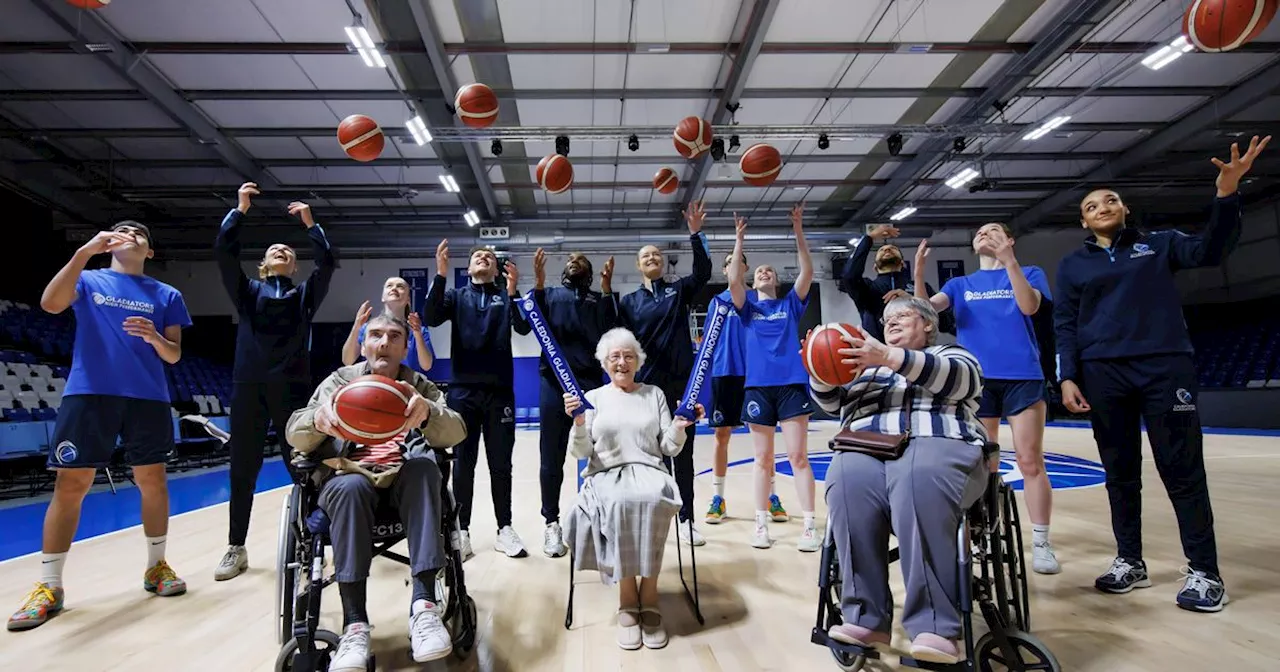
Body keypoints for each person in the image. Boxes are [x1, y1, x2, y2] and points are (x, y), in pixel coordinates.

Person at [1054, 135, 1269, 612]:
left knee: (1182, 470)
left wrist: (1226, 194)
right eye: (1093, 205)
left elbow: (1212, 250)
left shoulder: (1160, 245)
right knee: (1119, 473)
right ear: (1084, 221)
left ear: (1125, 209)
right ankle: (1130, 560)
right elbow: (1064, 323)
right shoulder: (1072, 265)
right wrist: (1067, 376)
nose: (1103, 206)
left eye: (1111, 199)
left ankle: (1204, 573)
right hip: (1102, 374)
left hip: (1164, 366)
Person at [9, 221, 192, 632]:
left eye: (140, 233)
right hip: (89, 393)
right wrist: (83, 253)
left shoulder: (167, 295)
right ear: (108, 242)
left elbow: (175, 355)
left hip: (147, 397)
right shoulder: (89, 278)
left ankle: (156, 567)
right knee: (70, 485)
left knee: (153, 481)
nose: (130, 234)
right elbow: (51, 304)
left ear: (149, 252)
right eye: (122, 229)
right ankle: (49, 586)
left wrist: (154, 339)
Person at [284, 313, 467, 668]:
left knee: (425, 469)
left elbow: (456, 430)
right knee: (349, 487)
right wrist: (317, 420)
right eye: (376, 336)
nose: (384, 343)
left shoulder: (418, 385)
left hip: (403, 481)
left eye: (394, 336)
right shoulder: (339, 382)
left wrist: (428, 413)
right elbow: (296, 432)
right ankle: (354, 625)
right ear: (364, 345)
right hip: (350, 476)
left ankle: (425, 607)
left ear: (404, 346)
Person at [814, 296, 988, 665]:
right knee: (846, 478)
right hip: (867, 445)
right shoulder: (867, 370)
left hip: (939, 442)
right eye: (886, 318)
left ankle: (936, 627)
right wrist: (818, 369)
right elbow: (832, 404)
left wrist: (889, 358)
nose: (890, 322)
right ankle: (865, 619)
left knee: (916, 474)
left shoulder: (954, 356)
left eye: (902, 316)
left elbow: (963, 382)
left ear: (928, 324)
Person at [913, 223, 1060, 575]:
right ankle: (986, 530)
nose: (983, 233)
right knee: (983, 461)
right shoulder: (960, 284)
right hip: (976, 380)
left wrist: (1009, 262)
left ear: (1009, 240)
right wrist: (918, 274)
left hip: (1022, 375)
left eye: (993, 230)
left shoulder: (1029, 273)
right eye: (979, 231)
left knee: (1029, 461)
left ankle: (1041, 541)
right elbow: (924, 313)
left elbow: (1029, 307)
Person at [213, 182, 336, 581]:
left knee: (301, 465)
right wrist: (240, 210)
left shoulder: (303, 296)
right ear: (264, 265)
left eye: (287, 250)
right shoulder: (247, 292)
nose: (281, 250)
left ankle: (311, 543)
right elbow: (223, 253)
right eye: (272, 251)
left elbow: (329, 263)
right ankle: (236, 546)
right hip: (248, 385)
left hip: (292, 388)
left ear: (294, 266)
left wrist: (310, 225)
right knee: (242, 468)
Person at [562, 327, 702, 651]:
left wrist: (680, 427)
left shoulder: (654, 394)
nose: (622, 362)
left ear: (638, 361)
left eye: (628, 356)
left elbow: (669, 448)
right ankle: (627, 597)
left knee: (653, 499)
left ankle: (649, 594)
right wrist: (579, 423)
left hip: (650, 469)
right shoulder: (592, 399)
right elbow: (582, 454)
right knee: (620, 502)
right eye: (615, 357)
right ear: (604, 363)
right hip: (606, 475)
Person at [424, 241, 532, 559]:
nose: (482, 257)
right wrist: (441, 274)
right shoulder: (456, 296)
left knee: (501, 465)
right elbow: (430, 317)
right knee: (464, 465)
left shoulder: (504, 295)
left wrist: (513, 291)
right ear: (468, 268)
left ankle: (504, 529)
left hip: (500, 393)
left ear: (496, 268)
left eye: (488, 256)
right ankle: (462, 530)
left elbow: (524, 327)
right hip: (462, 392)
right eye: (476, 256)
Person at [617, 201, 712, 546]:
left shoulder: (678, 291)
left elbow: (703, 272)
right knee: (648, 456)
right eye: (646, 256)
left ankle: (686, 519)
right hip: (645, 391)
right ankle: (653, 518)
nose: (653, 258)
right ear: (639, 265)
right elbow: (621, 348)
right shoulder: (628, 303)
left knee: (683, 455)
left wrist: (696, 233)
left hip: (681, 388)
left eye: (657, 254)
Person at [728, 205, 818, 551]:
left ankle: (809, 525)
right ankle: (761, 524)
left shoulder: (790, 305)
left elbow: (808, 269)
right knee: (762, 459)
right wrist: (739, 240)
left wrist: (798, 229)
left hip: (791, 386)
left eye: (770, 270)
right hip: (758, 389)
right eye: (760, 270)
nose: (764, 272)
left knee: (798, 457)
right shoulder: (748, 309)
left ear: (776, 280)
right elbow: (734, 279)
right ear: (754, 280)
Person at [528, 248, 618, 557]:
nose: (574, 260)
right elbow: (525, 322)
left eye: (580, 258)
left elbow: (611, 332)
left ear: (590, 270)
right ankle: (551, 523)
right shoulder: (550, 294)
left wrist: (606, 290)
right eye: (570, 259)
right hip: (554, 384)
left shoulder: (598, 299)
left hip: (590, 384)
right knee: (550, 457)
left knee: (598, 455)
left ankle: (596, 518)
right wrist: (537, 282)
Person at [703, 252, 789, 526]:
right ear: (725, 269)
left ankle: (771, 497)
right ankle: (718, 499)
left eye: (741, 262)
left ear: (746, 268)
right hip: (724, 372)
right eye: (731, 262)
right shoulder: (716, 303)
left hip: (755, 374)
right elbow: (707, 342)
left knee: (764, 441)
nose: (736, 266)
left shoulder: (759, 299)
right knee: (721, 435)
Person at [840, 223, 953, 341]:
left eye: (893, 249)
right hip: (877, 353)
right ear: (875, 267)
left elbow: (945, 323)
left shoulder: (919, 288)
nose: (887, 249)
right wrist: (869, 238)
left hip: (915, 353)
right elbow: (849, 276)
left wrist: (914, 301)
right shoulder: (867, 289)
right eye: (882, 250)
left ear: (903, 264)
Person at [341, 276, 435, 374]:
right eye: (389, 286)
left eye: (400, 287)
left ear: (408, 299)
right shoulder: (368, 328)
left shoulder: (420, 331)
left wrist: (418, 334)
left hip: (406, 385)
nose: (394, 288)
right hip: (373, 384)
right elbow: (347, 361)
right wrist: (356, 326)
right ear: (382, 297)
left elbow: (427, 366)